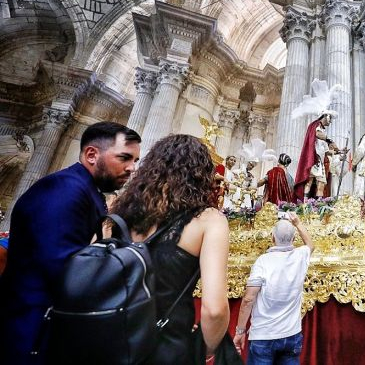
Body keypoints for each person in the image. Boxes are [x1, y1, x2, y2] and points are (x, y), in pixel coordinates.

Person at [0, 121, 141, 365]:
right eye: (124, 158)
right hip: (31, 333)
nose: (132, 168)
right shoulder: (64, 190)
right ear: (91, 154)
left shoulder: (86, 190)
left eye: (135, 161)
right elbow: (66, 273)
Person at [110, 134, 230, 365]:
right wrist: (206, 351)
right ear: (201, 175)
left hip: (110, 338)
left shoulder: (119, 212)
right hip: (166, 344)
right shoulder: (208, 220)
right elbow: (214, 310)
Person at [233, 212, 313, 364]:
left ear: (272, 238)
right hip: (291, 334)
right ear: (293, 239)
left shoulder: (263, 262)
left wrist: (240, 331)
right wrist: (297, 223)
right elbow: (310, 244)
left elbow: (248, 299)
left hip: (264, 336)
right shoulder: (300, 256)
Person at [294, 111, 346, 200]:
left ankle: (316, 203)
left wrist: (339, 151)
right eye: (330, 119)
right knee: (311, 182)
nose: (330, 122)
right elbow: (317, 134)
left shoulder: (321, 130)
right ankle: (306, 203)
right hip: (314, 159)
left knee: (319, 183)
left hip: (319, 161)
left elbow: (326, 152)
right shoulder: (316, 125)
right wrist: (329, 139)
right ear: (327, 116)